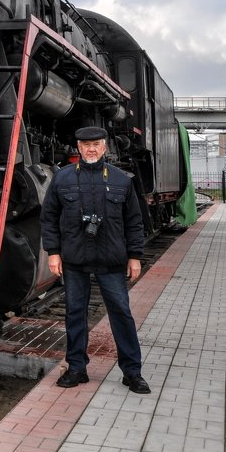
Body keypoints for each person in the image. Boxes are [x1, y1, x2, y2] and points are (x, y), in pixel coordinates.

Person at [41, 125, 149, 394]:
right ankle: (77, 367)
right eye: (86, 144)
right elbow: (49, 219)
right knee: (75, 313)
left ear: (105, 147)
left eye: (97, 144)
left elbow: (134, 222)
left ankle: (132, 372)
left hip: (111, 259)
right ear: (78, 147)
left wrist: (134, 256)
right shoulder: (62, 178)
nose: (91, 149)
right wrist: (53, 252)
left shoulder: (121, 179)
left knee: (121, 313)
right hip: (75, 259)